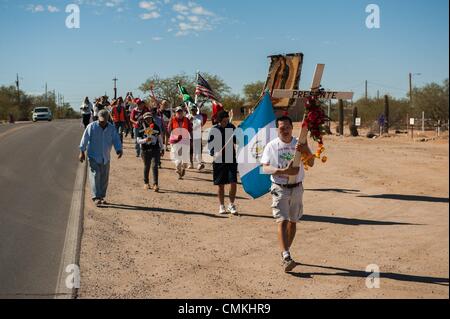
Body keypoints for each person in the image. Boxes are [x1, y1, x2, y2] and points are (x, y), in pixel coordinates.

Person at [261, 116, 315, 272]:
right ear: (277, 129)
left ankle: (285, 250)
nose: (284, 130)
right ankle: (286, 256)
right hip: (280, 188)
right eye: (281, 128)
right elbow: (264, 168)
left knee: (293, 221)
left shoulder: (299, 143)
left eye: (287, 127)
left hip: (297, 187)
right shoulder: (272, 146)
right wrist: (283, 171)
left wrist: (305, 150)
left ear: (292, 127)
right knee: (282, 221)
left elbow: (311, 163)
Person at [79, 109, 123, 207]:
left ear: (108, 119)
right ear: (97, 118)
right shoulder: (91, 127)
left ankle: (102, 196)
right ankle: (96, 197)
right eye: (100, 120)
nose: (102, 122)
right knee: (95, 175)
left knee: (104, 177)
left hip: (105, 156)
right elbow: (84, 139)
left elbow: (116, 139)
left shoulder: (111, 128)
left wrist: (119, 150)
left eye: (104, 120)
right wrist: (82, 152)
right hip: (93, 156)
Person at [207, 110, 238, 215]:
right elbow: (210, 145)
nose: (226, 123)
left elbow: (236, 140)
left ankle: (231, 204)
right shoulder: (214, 130)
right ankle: (221, 206)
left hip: (231, 158)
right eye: (224, 121)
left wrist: (239, 133)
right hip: (219, 160)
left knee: (233, 182)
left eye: (227, 120)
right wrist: (214, 153)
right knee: (221, 185)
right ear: (219, 121)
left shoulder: (231, 127)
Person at [137, 112, 164, 192]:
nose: (148, 120)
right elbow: (138, 141)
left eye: (149, 118)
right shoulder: (141, 128)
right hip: (145, 150)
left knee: (155, 166)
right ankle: (146, 183)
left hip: (155, 149)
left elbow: (159, 138)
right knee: (147, 166)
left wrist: (162, 148)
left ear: (152, 118)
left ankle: (155, 184)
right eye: (146, 119)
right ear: (144, 120)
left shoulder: (156, 127)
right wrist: (145, 140)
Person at [168, 106, 192, 180]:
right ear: (175, 113)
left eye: (180, 112)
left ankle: (183, 168)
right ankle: (178, 170)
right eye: (178, 112)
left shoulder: (187, 120)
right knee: (177, 157)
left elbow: (190, 130)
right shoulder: (172, 120)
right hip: (175, 141)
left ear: (183, 112)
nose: (179, 113)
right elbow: (169, 129)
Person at [190, 105, 207, 171]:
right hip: (190, 135)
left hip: (197, 134)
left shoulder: (200, 117)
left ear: (196, 110)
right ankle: (190, 163)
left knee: (198, 149)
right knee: (190, 149)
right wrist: (190, 120)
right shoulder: (188, 116)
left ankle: (199, 163)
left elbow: (201, 124)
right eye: (191, 110)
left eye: (194, 110)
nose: (193, 111)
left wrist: (194, 120)